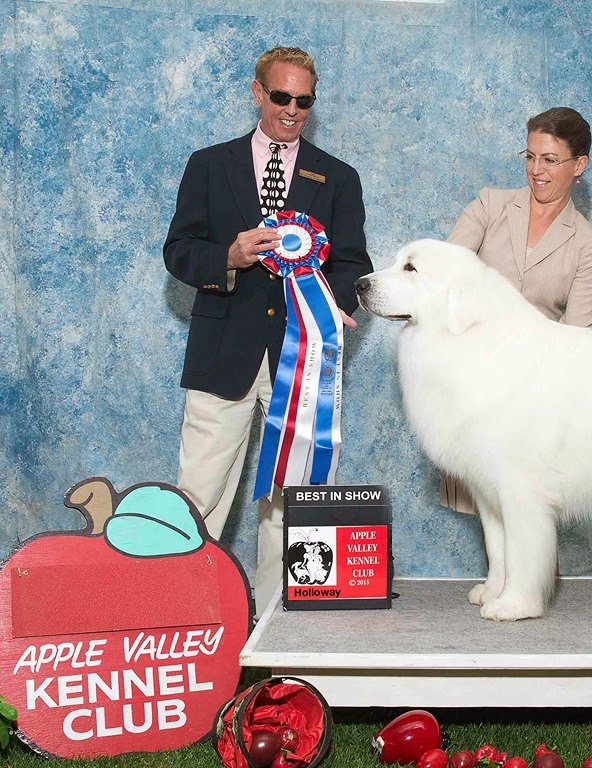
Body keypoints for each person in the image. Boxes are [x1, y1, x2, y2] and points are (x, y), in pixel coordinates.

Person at [164, 46, 371, 617]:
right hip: (221, 349)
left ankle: (286, 629)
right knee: (199, 493)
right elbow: (178, 252)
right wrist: (227, 256)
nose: (292, 111)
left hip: (300, 360)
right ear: (257, 93)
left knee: (291, 500)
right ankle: (188, 620)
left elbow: (352, 262)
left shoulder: (337, 177)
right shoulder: (208, 165)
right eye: (281, 97)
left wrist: (333, 299)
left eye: (304, 101)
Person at [441, 106, 592, 512]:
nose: (536, 170)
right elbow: (443, 278)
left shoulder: (588, 242)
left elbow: (578, 333)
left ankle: (529, 575)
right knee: (490, 507)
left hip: (538, 395)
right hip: (472, 388)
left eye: (550, 159)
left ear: (579, 164)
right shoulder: (490, 204)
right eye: (530, 156)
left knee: (530, 506)